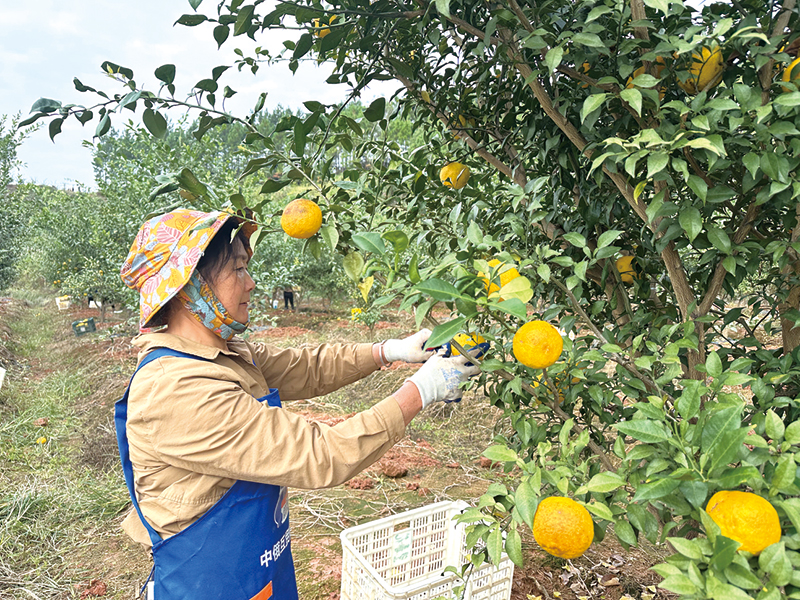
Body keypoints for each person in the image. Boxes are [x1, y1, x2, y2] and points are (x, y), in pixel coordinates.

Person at [115, 208, 480, 600]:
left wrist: (388, 350)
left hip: (255, 569)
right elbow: (321, 454)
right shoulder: (176, 389)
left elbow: (305, 366)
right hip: (209, 585)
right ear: (190, 286)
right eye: (237, 269)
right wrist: (421, 391)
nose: (251, 283)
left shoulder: (219, 353)